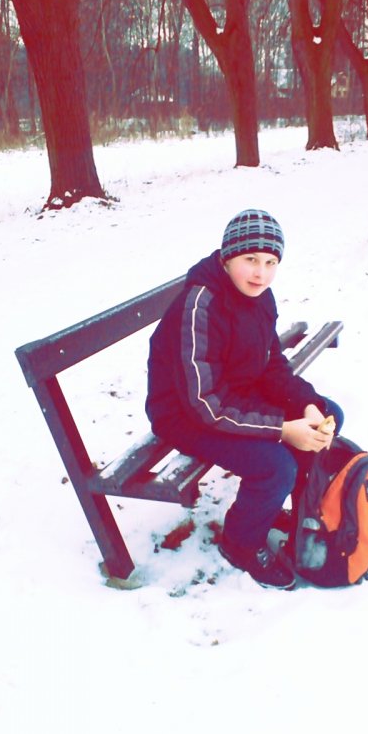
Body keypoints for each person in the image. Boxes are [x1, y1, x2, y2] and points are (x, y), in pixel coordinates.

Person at [146, 209, 344, 590]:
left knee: (327, 414)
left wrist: (305, 403)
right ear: (228, 257)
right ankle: (240, 543)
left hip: (233, 395)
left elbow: (271, 364)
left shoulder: (260, 297)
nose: (260, 273)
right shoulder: (200, 305)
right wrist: (282, 429)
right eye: (250, 259)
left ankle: (291, 512)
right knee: (275, 465)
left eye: (271, 262)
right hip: (186, 414)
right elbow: (204, 403)